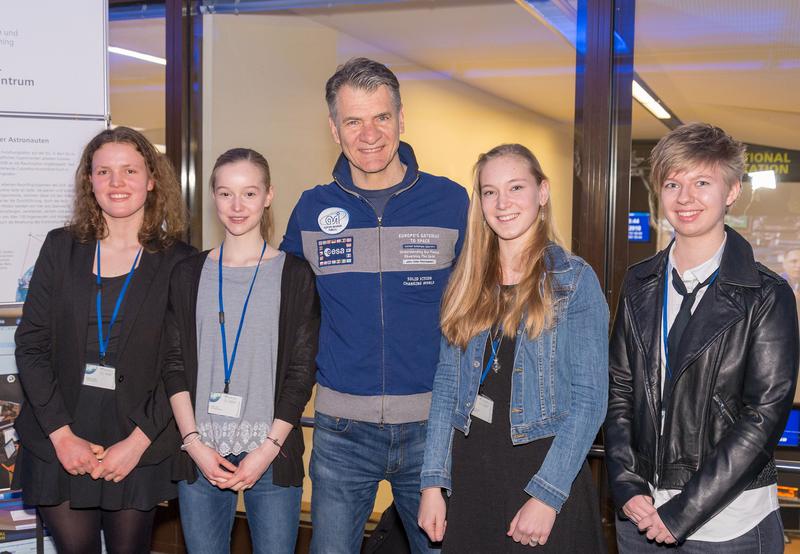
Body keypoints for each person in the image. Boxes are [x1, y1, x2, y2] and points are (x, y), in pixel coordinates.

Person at [280, 57, 469, 553]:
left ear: (401, 120)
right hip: (342, 432)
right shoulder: (311, 210)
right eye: (353, 120)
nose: (369, 134)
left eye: (381, 117)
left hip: (434, 431)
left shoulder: (450, 203)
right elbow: (282, 312)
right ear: (334, 128)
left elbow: (490, 301)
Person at [605, 122, 799, 552]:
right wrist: (625, 481)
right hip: (639, 515)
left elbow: (762, 418)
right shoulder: (639, 282)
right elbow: (619, 388)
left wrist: (683, 512)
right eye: (673, 183)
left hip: (728, 526)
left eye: (702, 182)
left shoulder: (766, 294)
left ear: (731, 191)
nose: (685, 197)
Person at [417, 144, 609, 552]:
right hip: (471, 478)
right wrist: (433, 481)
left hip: (542, 474)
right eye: (490, 191)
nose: (502, 203)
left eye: (516, 187)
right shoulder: (467, 281)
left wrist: (547, 496)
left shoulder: (573, 280)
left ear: (542, 192)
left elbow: (590, 401)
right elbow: (447, 385)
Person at [14, 126, 194, 554]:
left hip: (136, 438)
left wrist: (136, 443)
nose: (117, 183)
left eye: (130, 170)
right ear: (89, 181)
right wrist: (61, 436)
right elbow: (31, 344)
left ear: (151, 179)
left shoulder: (181, 262)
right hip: (59, 433)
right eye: (104, 172)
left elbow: (182, 363)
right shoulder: (61, 248)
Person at [159, 148, 318, 554]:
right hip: (201, 450)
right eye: (226, 193)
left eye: (249, 193)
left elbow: (302, 373)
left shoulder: (295, 275)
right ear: (213, 196)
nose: (237, 206)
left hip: (271, 450)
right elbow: (173, 365)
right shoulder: (188, 273)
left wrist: (266, 451)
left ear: (268, 196)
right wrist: (193, 443)